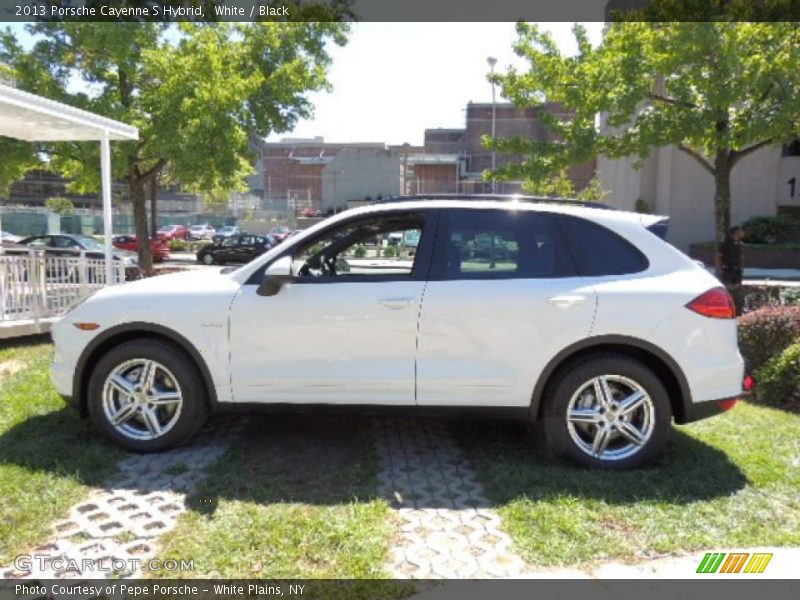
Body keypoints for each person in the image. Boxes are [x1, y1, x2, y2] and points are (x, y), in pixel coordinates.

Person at [720, 225, 745, 314]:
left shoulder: (740, 244)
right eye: (740, 231)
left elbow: (741, 257)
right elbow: (719, 256)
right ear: (735, 232)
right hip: (728, 269)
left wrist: (742, 267)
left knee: (737, 288)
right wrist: (721, 268)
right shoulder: (726, 243)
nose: (742, 233)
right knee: (728, 289)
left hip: (737, 270)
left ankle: (738, 309)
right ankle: (727, 308)